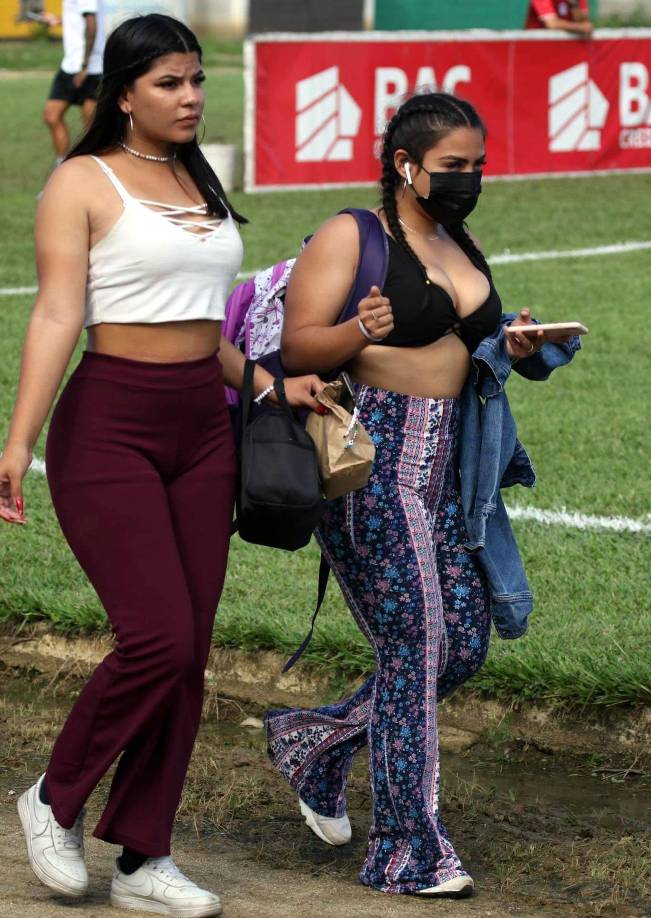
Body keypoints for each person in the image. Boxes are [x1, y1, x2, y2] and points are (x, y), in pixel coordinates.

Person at [0, 13, 322, 917]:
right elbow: (60, 315)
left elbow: (195, 318)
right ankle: (54, 799)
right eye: (170, 83)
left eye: (196, 80)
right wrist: (17, 444)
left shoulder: (195, 172)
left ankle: (145, 857)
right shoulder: (80, 180)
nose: (189, 97)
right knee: (158, 639)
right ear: (125, 92)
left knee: (189, 656)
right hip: (109, 425)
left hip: (202, 425)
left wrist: (264, 382)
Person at [264, 92, 578, 898]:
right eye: (453, 166)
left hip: (450, 474)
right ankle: (406, 849)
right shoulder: (352, 235)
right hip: (370, 463)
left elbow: (465, 346)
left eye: (477, 164)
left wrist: (517, 342)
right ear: (405, 166)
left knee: (461, 645)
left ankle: (314, 744)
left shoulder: (455, 237)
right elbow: (297, 346)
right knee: (415, 647)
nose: (469, 178)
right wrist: (359, 331)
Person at [43, 0, 106, 165]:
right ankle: (62, 167)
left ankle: (92, 174)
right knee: (52, 116)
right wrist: (59, 19)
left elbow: (92, 24)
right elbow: (81, 19)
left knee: (91, 129)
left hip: (89, 69)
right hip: (70, 65)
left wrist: (84, 65)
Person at [525, 0, 594, 35]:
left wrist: (574, 5)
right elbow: (552, 24)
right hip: (537, 49)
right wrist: (580, 27)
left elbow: (585, 24)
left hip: (564, 50)